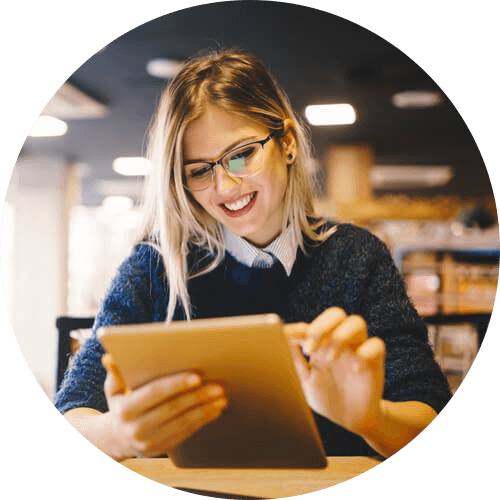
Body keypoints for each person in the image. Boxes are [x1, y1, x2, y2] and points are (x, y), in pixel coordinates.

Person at [55, 48, 451, 461]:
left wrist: (371, 419)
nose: (226, 187)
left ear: (288, 143)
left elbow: (426, 409)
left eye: (242, 154)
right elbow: (74, 411)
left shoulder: (357, 257)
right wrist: (119, 433)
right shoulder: (155, 266)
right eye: (199, 170)